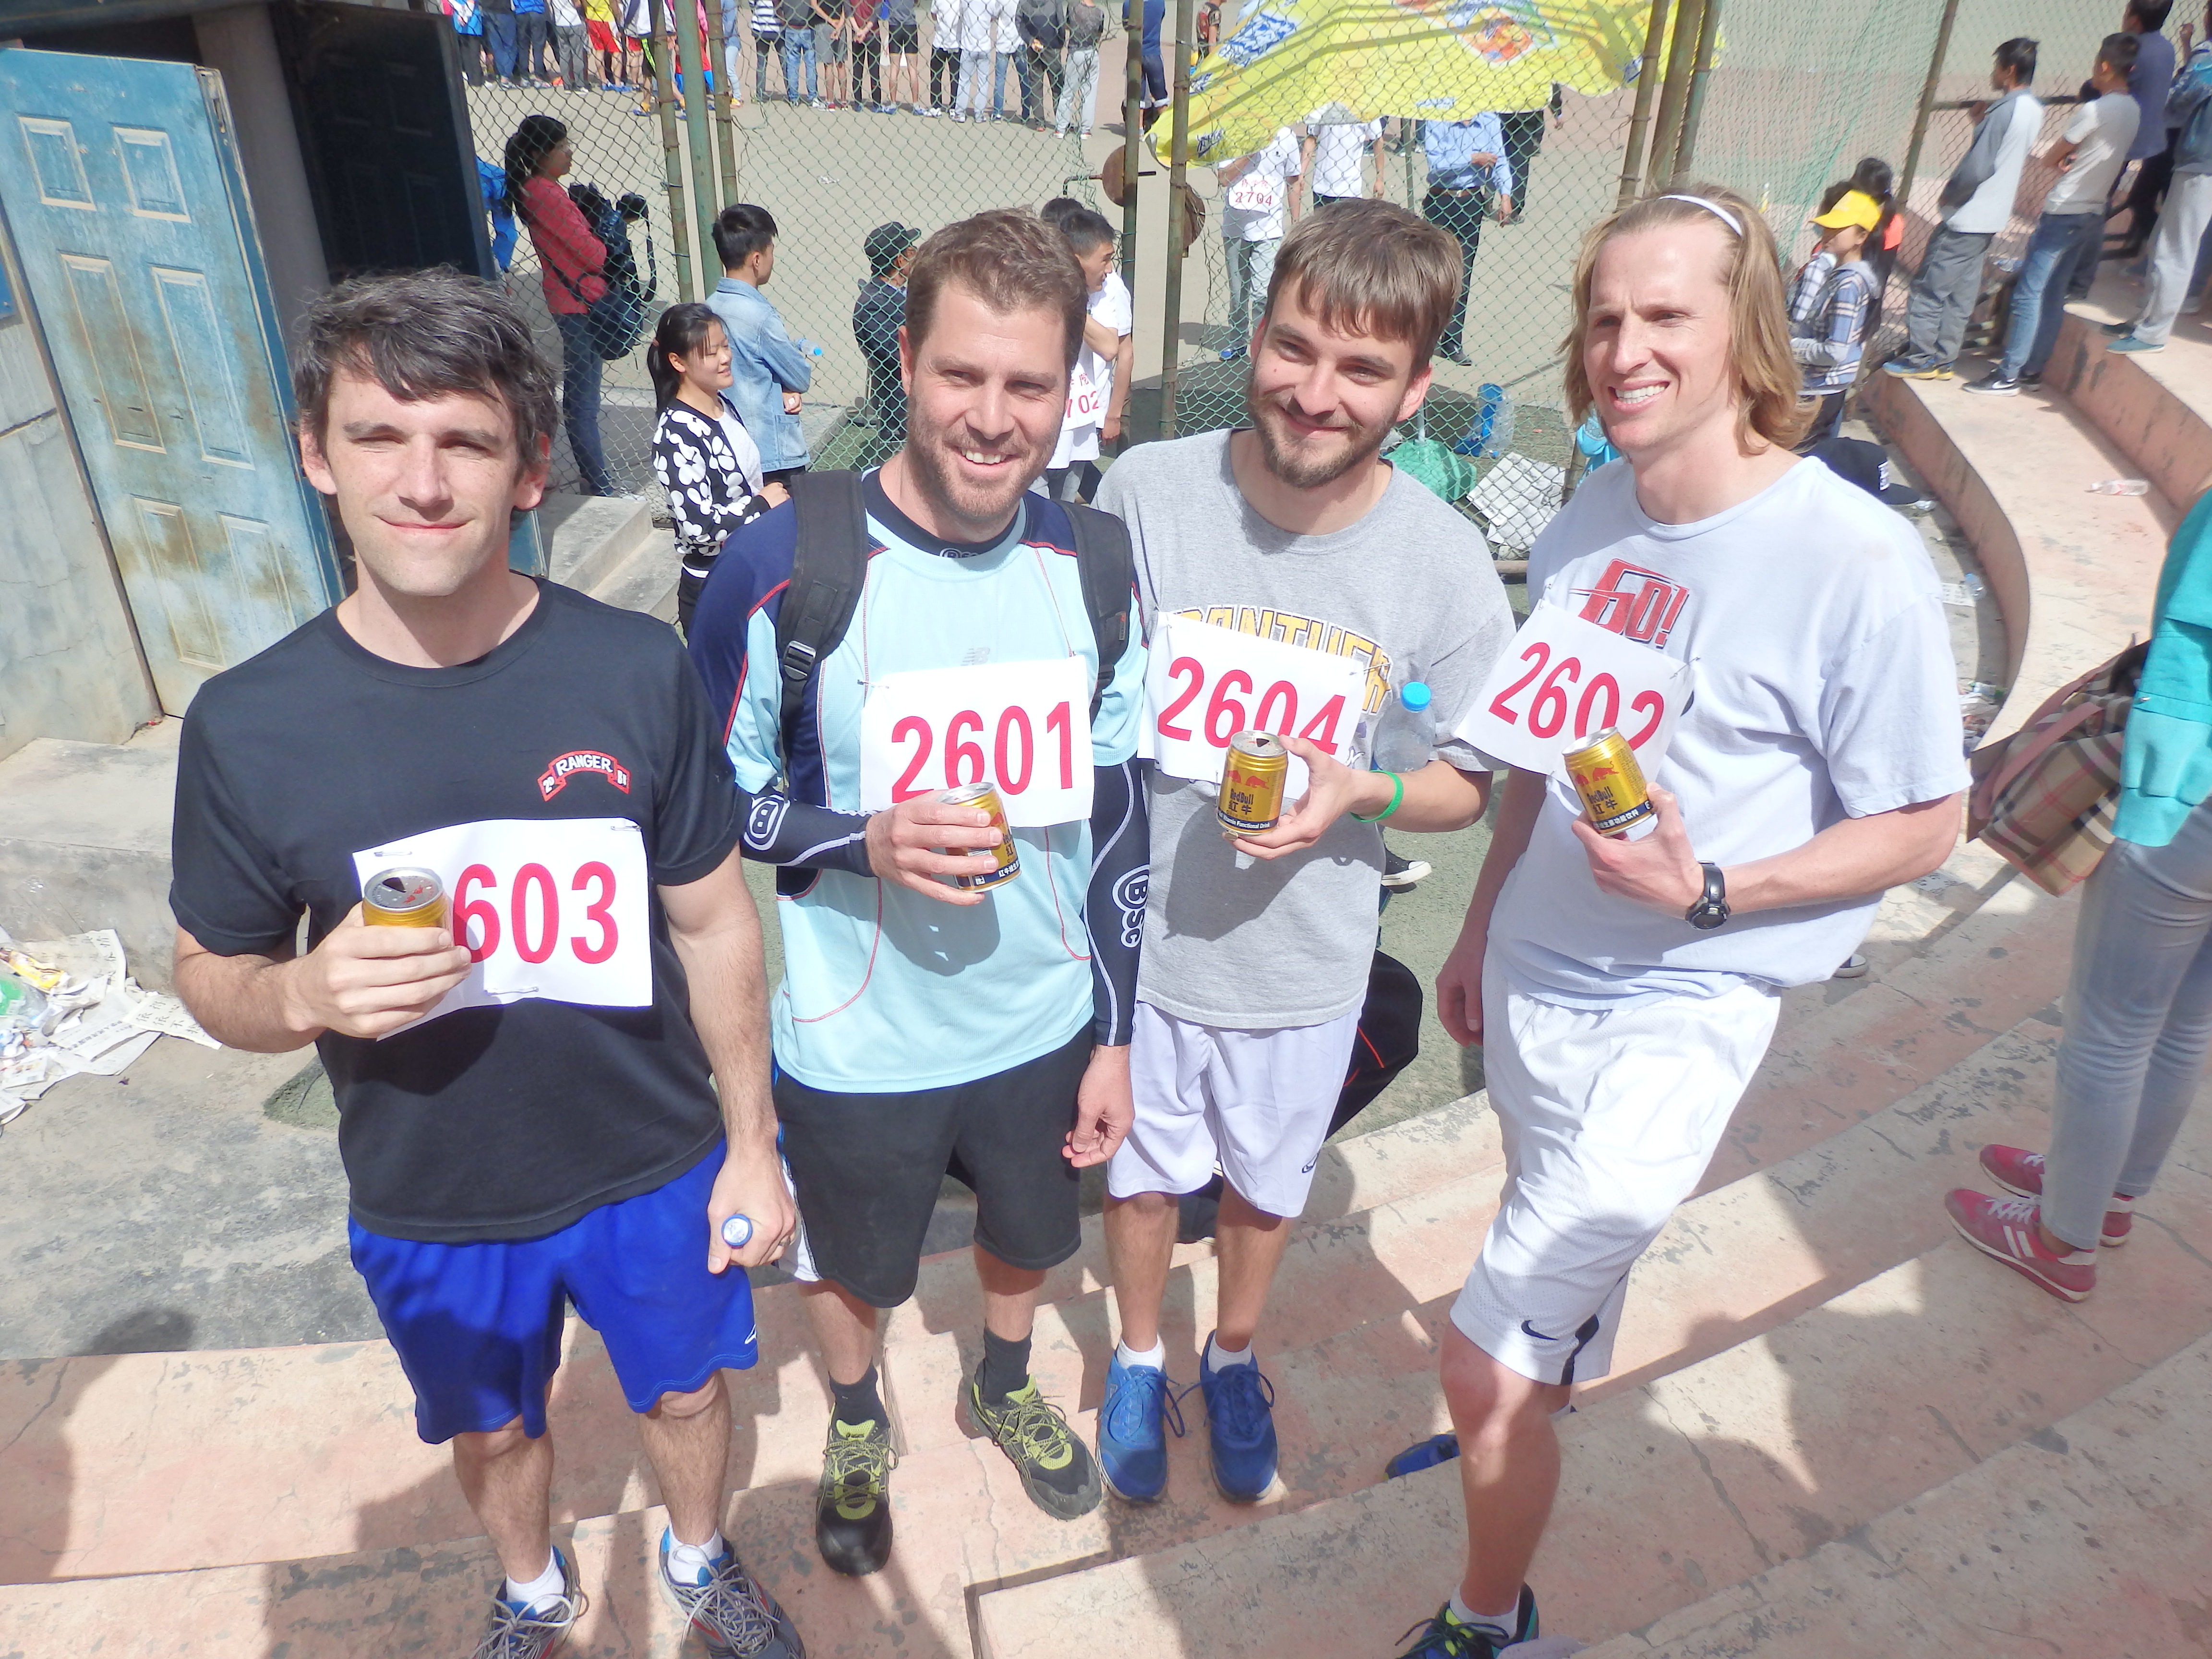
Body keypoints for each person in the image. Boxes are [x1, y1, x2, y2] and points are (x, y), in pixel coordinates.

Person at [167, 269, 804, 1659]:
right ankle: (532, 1589)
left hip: (654, 1162)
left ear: (527, 468)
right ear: (316, 454)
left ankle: (699, 1559)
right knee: (496, 1427)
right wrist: (300, 993)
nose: (422, 481)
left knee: (686, 1395)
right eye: (380, 436)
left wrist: (754, 1146)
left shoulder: (634, 669)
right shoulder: (247, 725)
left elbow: (714, 921)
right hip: (432, 1194)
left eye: (464, 440)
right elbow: (209, 967)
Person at [1383, 186, 1968, 1659]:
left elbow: (1926, 823)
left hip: (1684, 1008)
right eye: (1603, 321)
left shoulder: (1851, 557)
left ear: (1745, 329)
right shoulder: (1589, 517)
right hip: (1538, 970)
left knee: (1482, 1366)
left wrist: (1714, 891)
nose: (1623, 350)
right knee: (1536, 1281)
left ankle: (1491, 1617)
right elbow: (1542, 748)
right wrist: (1481, 924)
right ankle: (1522, 1416)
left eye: (1664, 317)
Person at [685, 208, 1147, 1581]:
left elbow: (1121, 814)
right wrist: (859, 838)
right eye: (962, 375)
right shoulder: (783, 568)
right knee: (850, 1266)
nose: (993, 418)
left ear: (1073, 387)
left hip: (1041, 1022)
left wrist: (1115, 1030)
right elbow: (707, 813)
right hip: (856, 1041)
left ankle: (1002, 1381)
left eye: (1030, 384)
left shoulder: (1099, 566)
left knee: (1026, 1237)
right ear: (906, 362)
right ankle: (855, 1412)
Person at [1093, 199, 1513, 1510]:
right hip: (1145, 955)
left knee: (1265, 1191)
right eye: (1293, 347)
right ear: (1256, 334)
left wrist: (1361, 791)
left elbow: (1470, 786)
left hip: (1307, 966)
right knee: (1142, 1180)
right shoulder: (1146, 492)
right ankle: (1136, 1355)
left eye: (1362, 368)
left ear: (1416, 388)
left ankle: (1231, 1355)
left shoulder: (1444, 564)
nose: (1316, 393)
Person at [1946, 492, 2212, 1301]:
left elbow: (2188, 645)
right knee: (2185, 1021)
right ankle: (2106, 1196)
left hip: (2193, 797)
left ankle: (2060, 1239)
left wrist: (2148, 790)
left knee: (2111, 1030)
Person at [1967, 34, 2142, 394]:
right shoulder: (2133, 110)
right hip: (2093, 211)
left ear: (2104, 66)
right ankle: (2032, 371)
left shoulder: (2095, 110)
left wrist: (2063, 160)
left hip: (2066, 210)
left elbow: (2052, 156)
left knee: (2029, 293)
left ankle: (2009, 374)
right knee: (2053, 294)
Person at [1883, 38, 2043, 380]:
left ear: (2009, 70)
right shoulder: (2032, 108)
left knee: (1928, 290)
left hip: (1967, 217)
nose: (1993, 73)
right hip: (1991, 218)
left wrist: (1950, 195)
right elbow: (2003, 153)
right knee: (1961, 294)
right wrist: (1981, 124)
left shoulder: (2002, 112)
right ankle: (1944, 359)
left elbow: (1978, 168)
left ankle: (1922, 359)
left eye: (1997, 66)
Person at [651, 303, 786, 633]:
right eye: (711, 353)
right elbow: (699, 527)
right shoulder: (676, 435)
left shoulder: (722, 404)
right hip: (714, 584)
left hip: (748, 568)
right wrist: (761, 505)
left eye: (726, 346)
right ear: (678, 362)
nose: (726, 358)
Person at [505, 116, 615, 497]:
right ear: (540, 154)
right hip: (578, 304)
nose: (569, 153)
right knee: (584, 401)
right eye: (561, 147)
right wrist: (607, 233)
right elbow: (594, 255)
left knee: (583, 395)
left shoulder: (542, 190)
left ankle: (596, 479)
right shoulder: (546, 194)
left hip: (571, 299)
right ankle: (599, 483)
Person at [2106, 29, 2212, 354]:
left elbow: (2180, 100)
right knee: (2165, 243)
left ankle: (2153, 332)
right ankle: (2146, 321)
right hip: (2198, 161)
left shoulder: (2208, 57)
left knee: (2174, 250)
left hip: (2201, 162)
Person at [707, 204, 817, 487]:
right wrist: (788, 387)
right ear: (757, 259)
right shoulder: (760, 316)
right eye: (771, 251)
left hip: (726, 448)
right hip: (771, 454)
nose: (772, 259)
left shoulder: (708, 308)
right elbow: (799, 375)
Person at [1042, 202, 1130, 501]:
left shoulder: (1099, 293)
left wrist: (1112, 414)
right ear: (1075, 261)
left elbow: (1111, 348)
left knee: (1064, 507)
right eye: (1105, 260)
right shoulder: (1038, 294)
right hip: (1047, 425)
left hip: (1078, 422)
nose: (1110, 269)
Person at [1789, 188, 1883, 443]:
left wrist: (1791, 346)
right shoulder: (1845, 275)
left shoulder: (1849, 285)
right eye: (1828, 226)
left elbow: (1835, 351)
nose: (1828, 233)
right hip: (1826, 388)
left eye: (1839, 229)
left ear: (1861, 237)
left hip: (1820, 391)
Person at [1421, 112, 1514, 369]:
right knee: (1433, 269)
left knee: (1463, 271)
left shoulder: (1488, 119)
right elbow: (1436, 164)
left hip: (1471, 202)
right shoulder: (1438, 117)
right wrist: (1472, 159)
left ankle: (1452, 341)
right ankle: (1425, 336)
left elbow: (1499, 159)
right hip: (1441, 199)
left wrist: (1505, 195)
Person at [1216, 126, 1304, 362]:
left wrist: (1296, 224)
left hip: (1269, 229)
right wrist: (1251, 151)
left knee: (1262, 293)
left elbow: (1294, 181)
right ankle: (1237, 340)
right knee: (1238, 293)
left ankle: (1262, 345)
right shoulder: (1232, 132)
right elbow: (1223, 177)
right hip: (1235, 228)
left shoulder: (1286, 137)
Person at [2115, 0, 2179, 263]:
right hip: (2156, 138)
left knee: (2100, 200)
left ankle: (2158, 249)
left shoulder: (2132, 49)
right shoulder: (2166, 48)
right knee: (2144, 199)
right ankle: (2152, 248)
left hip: (2124, 138)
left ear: (2134, 19)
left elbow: (2111, 84)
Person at [853, 220, 920, 453]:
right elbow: (895, 356)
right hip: (900, 405)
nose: (917, 256)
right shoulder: (873, 304)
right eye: (912, 251)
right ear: (900, 261)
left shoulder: (905, 293)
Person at [1497, 85, 1561, 217]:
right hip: (1527, 112)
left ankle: (1488, 195)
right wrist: (1558, 112)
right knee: (1519, 162)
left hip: (1500, 108)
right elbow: (1551, 86)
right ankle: (1514, 207)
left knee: (1496, 155)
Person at [1301, 115, 1386, 208]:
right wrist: (1301, 174)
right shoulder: (1322, 108)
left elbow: (1378, 140)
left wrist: (1380, 178)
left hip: (1350, 188)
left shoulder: (1364, 110)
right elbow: (1311, 139)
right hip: (1321, 185)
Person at [1057, 0, 1103, 135]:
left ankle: (1061, 127)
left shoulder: (1073, 7)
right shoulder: (1100, 13)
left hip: (1076, 52)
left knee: (1068, 92)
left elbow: (1067, 25)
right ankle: (1086, 129)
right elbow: (1098, 36)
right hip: (1092, 53)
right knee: (1090, 92)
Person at [1017, 0, 1065, 128]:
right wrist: (1060, 42)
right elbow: (1061, 22)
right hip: (1052, 45)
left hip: (1034, 46)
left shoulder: (1024, 2)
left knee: (1035, 83)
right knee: (1057, 84)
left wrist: (1030, 40)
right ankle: (1061, 120)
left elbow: (1019, 22)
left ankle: (1040, 122)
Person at [952, 0, 993, 120]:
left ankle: (960, 113)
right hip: (984, 47)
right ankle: (979, 115)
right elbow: (993, 16)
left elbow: (960, 13)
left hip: (968, 47)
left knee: (964, 81)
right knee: (983, 83)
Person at [778, 0, 820, 103]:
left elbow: (776, 3)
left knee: (792, 64)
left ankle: (794, 98)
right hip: (807, 27)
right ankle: (813, 96)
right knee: (810, 64)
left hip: (791, 27)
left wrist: (782, 17)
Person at [884, 0, 920, 110]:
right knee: (912, 68)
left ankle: (893, 104)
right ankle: (916, 105)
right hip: (910, 26)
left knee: (894, 68)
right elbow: (916, 3)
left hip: (895, 26)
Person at [816, 0, 850, 108]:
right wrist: (840, 25)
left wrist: (830, 21)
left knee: (829, 65)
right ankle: (843, 101)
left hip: (824, 24)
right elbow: (846, 7)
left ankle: (830, 101)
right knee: (841, 64)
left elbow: (814, 5)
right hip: (839, 23)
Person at [851, 0, 883, 109]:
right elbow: (849, 12)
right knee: (859, 70)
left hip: (871, 34)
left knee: (872, 71)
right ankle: (862, 102)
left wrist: (860, 31)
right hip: (862, 34)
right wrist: (859, 31)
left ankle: (872, 103)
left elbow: (875, 14)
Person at [927, 0, 960, 111]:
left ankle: (938, 106)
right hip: (949, 43)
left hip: (947, 43)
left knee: (939, 76)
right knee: (954, 77)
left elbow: (933, 15)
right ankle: (952, 106)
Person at [550, 0, 590, 87]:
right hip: (574, 22)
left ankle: (567, 84)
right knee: (578, 54)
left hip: (560, 22)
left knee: (564, 55)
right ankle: (580, 84)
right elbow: (577, 3)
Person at [750, 0, 782, 98]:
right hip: (776, 26)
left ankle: (760, 94)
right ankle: (792, 95)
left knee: (762, 63)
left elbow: (752, 5)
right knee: (785, 62)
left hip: (763, 25)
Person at [483, 0, 520, 83]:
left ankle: (502, 74)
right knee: (511, 46)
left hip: (487, 10)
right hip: (503, 10)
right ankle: (505, 76)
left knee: (496, 45)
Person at [515, 0, 552, 83]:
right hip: (537, 10)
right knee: (538, 46)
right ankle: (539, 77)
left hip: (521, 11)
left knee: (523, 47)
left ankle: (524, 78)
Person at [452, 0, 488, 85]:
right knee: (474, 52)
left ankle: (471, 79)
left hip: (459, 20)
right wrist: (465, 18)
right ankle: (477, 80)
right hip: (472, 21)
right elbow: (471, 3)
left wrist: (460, 13)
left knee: (465, 52)